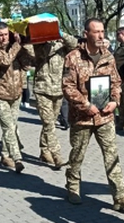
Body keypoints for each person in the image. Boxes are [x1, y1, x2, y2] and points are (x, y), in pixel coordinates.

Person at [62, 18, 124, 210]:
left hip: (105, 116)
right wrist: (86, 104)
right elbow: (67, 86)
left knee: (112, 156)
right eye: (96, 32)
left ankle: (120, 197)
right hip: (83, 117)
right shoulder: (73, 57)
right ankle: (72, 187)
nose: (100, 35)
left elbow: (115, 82)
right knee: (77, 155)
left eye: (103, 32)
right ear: (86, 33)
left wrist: (115, 101)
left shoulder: (108, 57)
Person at [0, 22, 33, 173]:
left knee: (11, 126)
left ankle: (4, 154)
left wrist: (25, 46)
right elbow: (5, 61)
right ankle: (17, 158)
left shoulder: (14, 47)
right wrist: (16, 45)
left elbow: (27, 65)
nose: (3, 38)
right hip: (0, 94)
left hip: (16, 94)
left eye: (5, 34)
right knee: (8, 127)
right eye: (0, 35)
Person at [29, 30, 78, 169]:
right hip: (42, 88)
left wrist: (61, 34)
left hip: (58, 88)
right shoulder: (39, 42)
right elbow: (45, 52)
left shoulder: (61, 41)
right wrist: (54, 42)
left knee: (49, 123)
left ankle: (44, 151)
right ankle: (56, 154)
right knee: (49, 123)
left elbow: (74, 43)